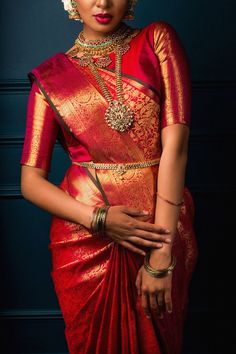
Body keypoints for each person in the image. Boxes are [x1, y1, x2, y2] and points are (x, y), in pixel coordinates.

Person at [20, 0, 198, 353]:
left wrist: (161, 256)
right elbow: (30, 181)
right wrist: (99, 220)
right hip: (83, 238)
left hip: (157, 228)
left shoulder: (156, 40)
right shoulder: (50, 79)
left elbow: (176, 146)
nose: (103, 3)